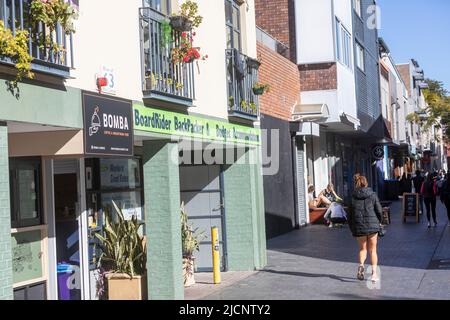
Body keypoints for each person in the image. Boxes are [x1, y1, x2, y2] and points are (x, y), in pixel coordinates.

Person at [348, 175, 383, 283]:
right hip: (372, 226)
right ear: (366, 183)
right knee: (373, 250)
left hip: (359, 226)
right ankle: (374, 274)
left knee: (363, 249)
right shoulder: (372, 195)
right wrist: (380, 221)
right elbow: (379, 210)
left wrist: (352, 228)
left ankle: (361, 265)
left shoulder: (353, 197)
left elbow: (349, 215)